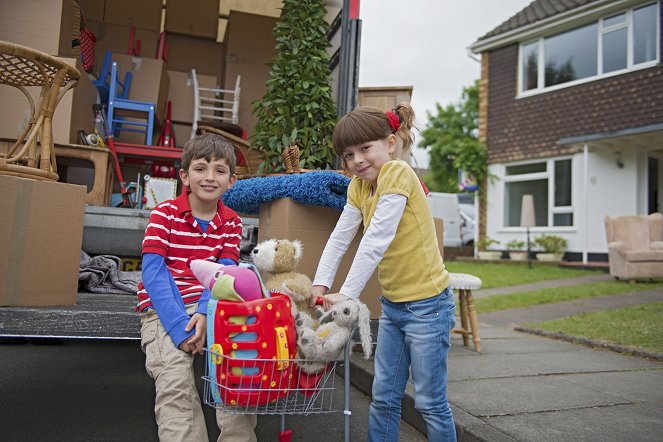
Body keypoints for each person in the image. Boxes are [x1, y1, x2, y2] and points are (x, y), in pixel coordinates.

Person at [310, 103, 456, 441]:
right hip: (393, 307)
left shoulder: (398, 173)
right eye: (348, 155)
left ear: (390, 144)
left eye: (365, 148)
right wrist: (320, 284)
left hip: (428, 307)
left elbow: (376, 239)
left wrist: (346, 293)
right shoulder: (358, 187)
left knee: (430, 402)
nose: (357, 160)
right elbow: (339, 238)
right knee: (384, 396)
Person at [136, 133, 257, 442]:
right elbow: (153, 273)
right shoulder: (164, 214)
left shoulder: (231, 222)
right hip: (165, 310)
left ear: (231, 181)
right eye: (200, 168)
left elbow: (225, 272)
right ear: (184, 176)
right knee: (174, 381)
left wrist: (205, 312)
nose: (209, 177)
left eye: (219, 170)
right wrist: (179, 327)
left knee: (237, 374)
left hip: (215, 305)